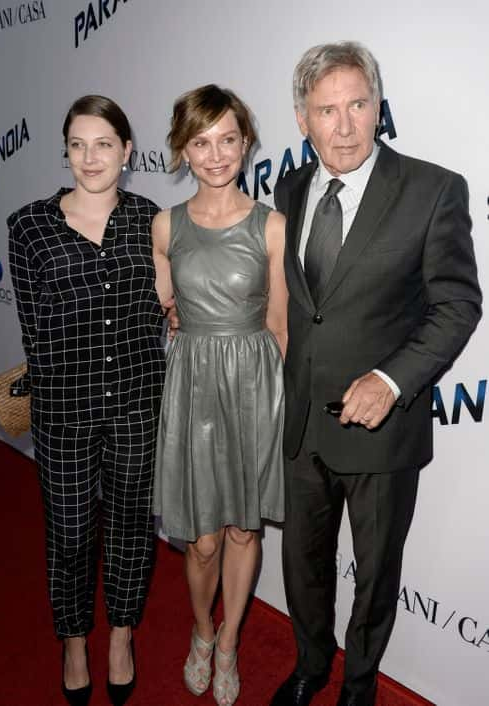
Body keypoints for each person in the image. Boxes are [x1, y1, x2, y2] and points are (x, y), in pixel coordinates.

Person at [270, 42, 482, 706]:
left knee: (376, 573)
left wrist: (390, 381)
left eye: (357, 104)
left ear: (378, 106)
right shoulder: (292, 187)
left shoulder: (432, 189)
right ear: (302, 118)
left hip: (383, 433)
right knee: (302, 565)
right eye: (325, 109)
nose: (343, 125)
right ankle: (311, 665)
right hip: (303, 423)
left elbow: (458, 304)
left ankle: (359, 683)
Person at [8, 95, 166, 706]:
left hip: (136, 401)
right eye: (78, 144)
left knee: (130, 528)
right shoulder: (28, 226)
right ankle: (74, 640)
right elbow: (33, 328)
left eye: (105, 144)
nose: (91, 157)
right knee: (70, 535)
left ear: (128, 152)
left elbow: (167, 306)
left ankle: (121, 637)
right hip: (64, 410)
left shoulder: (153, 220)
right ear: (66, 151)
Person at [152, 84, 287, 706]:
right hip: (193, 390)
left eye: (227, 140)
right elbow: (166, 311)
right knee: (202, 538)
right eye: (200, 142)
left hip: (253, 388)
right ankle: (201, 631)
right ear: (182, 149)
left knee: (240, 531)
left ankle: (230, 641)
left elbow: (280, 328)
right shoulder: (166, 224)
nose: (215, 155)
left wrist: (280, 414)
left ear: (246, 144)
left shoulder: (272, 226)